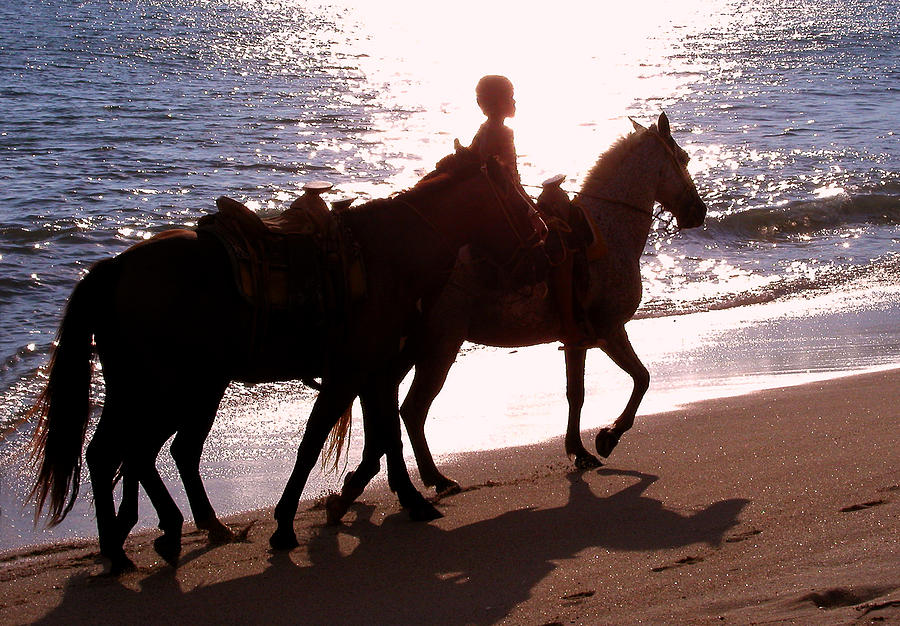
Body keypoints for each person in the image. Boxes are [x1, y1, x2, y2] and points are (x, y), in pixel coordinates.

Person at [469, 75, 596, 348]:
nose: (514, 101)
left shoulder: (485, 130)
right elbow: (508, 183)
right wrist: (533, 210)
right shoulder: (500, 133)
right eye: (510, 96)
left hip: (504, 206)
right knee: (560, 246)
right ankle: (569, 326)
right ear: (496, 102)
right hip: (507, 212)